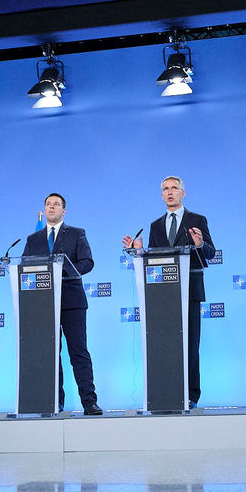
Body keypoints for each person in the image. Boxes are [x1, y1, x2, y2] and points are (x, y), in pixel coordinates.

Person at [122, 175, 216, 408]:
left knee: (191, 344)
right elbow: (155, 259)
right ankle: (167, 390)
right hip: (163, 296)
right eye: (166, 189)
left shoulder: (198, 220)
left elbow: (211, 253)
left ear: (183, 193)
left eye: (174, 188)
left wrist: (199, 244)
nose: (170, 192)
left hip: (190, 290)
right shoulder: (155, 225)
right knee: (165, 344)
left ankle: (191, 395)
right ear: (161, 195)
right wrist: (140, 251)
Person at [23, 193, 102, 415]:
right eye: (48, 204)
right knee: (49, 353)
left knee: (78, 352)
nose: (51, 207)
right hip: (43, 303)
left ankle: (89, 402)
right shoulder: (33, 239)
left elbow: (87, 262)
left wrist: (60, 271)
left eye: (56, 204)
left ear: (63, 211)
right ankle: (53, 402)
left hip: (72, 301)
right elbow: (25, 267)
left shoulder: (77, 234)